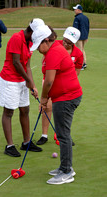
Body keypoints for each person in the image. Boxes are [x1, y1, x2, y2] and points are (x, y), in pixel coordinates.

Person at [31, 25, 82, 184]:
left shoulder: (54, 52)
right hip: (64, 96)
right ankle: (64, 167)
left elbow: (49, 81)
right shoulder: (55, 49)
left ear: (46, 40)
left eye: (39, 45)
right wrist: (46, 99)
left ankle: (67, 172)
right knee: (62, 134)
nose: (38, 49)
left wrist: (44, 99)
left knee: (63, 135)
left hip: (66, 98)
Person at [0, 21, 43, 157]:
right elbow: (16, 62)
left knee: (25, 109)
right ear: (32, 31)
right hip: (9, 80)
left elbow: (27, 66)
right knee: (9, 111)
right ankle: (9, 146)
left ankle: (26, 142)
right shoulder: (16, 38)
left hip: (22, 80)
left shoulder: (30, 42)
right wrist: (28, 81)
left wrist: (32, 85)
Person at [36, 26, 83, 146]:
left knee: (63, 110)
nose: (66, 44)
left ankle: (61, 134)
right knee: (48, 107)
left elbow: (75, 73)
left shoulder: (78, 54)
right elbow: (45, 64)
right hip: (48, 80)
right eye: (65, 40)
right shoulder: (54, 45)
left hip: (64, 86)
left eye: (69, 42)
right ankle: (44, 135)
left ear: (74, 42)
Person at [73, 4, 89, 70]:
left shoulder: (77, 18)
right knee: (82, 49)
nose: (74, 10)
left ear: (79, 10)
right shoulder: (86, 17)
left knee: (79, 50)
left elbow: (75, 29)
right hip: (85, 36)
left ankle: (81, 64)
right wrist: (87, 36)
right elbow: (88, 28)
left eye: (75, 9)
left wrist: (73, 37)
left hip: (79, 37)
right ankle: (84, 63)